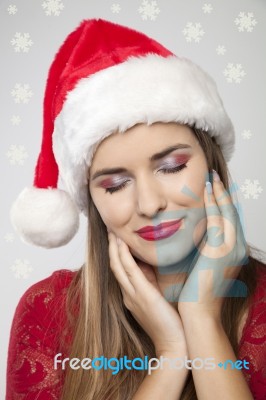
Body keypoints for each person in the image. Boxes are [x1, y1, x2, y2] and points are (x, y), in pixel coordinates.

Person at [6, 18, 266, 400]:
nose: (149, 204)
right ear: (92, 201)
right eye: (115, 185)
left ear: (213, 167)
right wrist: (171, 356)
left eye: (172, 166)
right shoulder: (47, 313)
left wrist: (201, 321)